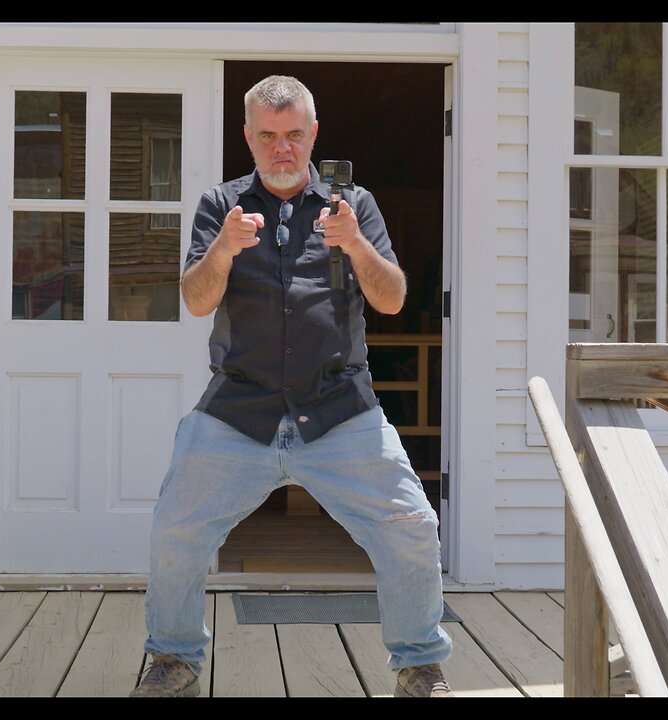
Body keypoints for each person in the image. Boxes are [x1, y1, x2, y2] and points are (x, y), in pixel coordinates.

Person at [130, 75, 453, 698]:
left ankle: (419, 668)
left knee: (410, 522)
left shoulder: (352, 205)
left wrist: (355, 243)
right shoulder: (218, 206)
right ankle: (173, 661)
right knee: (177, 526)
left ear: (314, 135)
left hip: (338, 406)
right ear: (248, 137)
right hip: (238, 407)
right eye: (269, 136)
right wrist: (221, 250)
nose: (284, 148)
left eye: (295, 135)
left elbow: (392, 300)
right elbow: (197, 302)